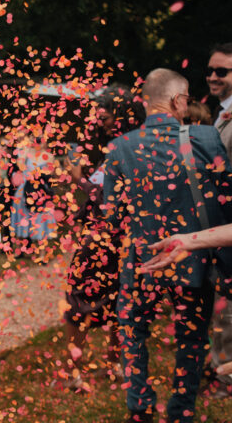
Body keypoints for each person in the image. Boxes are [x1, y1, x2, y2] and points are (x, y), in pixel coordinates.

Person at [103, 68, 232, 423]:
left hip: (143, 260)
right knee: (191, 340)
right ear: (177, 100)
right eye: (187, 99)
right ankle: (180, 412)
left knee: (134, 331)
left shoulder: (119, 147)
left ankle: (139, 405)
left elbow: (111, 216)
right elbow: (227, 198)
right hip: (195, 256)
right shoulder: (207, 138)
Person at [60, 85, 145, 390]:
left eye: (105, 113)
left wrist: (77, 176)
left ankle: (101, 369)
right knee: (96, 300)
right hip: (109, 237)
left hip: (115, 236)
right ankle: (88, 370)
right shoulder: (111, 144)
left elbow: (103, 192)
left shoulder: (129, 146)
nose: (100, 118)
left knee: (105, 301)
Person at [205, 42, 232, 395]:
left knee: (228, 305)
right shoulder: (221, 112)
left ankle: (226, 378)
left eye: (222, 71)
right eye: (210, 70)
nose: (212, 76)